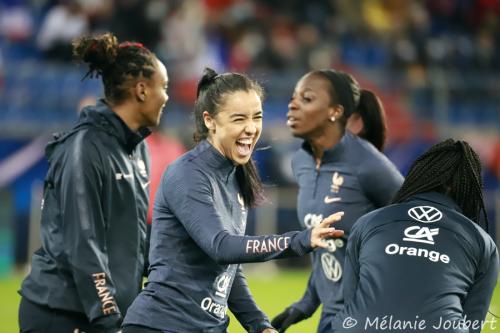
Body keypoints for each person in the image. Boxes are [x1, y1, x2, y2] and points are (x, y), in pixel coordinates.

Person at [121, 68, 345, 333]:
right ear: (210, 120)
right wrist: (298, 240)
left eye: (257, 117)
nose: (251, 128)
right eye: (239, 119)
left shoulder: (235, 175)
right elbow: (221, 247)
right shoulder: (187, 173)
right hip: (161, 326)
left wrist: (259, 325)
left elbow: (229, 269)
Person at [18, 32, 169, 333]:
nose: (167, 97)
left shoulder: (137, 149)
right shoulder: (83, 148)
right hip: (63, 315)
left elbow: (132, 240)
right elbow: (83, 242)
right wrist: (107, 317)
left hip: (105, 316)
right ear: (141, 90)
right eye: (163, 87)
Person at [271, 69, 404, 333]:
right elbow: (327, 247)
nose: (292, 105)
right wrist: (305, 304)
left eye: (306, 99)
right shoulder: (302, 161)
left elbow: (424, 226)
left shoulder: (368, 164)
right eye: (293, 97)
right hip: (332, 315)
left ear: (335, 111)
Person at [331, 139, 499, 333]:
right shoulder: (481, 241)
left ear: (418, 176)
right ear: (470, 188)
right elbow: (472, 325)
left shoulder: (369, 222)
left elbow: (350, 301)